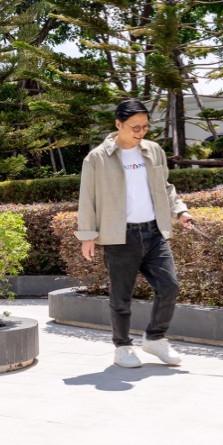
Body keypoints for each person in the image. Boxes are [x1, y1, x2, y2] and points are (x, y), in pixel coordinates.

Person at [75, 99, 194, 368]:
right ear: (118, 124)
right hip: (120, 236)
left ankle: (155, 339)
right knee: (121, 297)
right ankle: (122, 347)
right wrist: (87, 235)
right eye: (135, 127)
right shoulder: (97, 158)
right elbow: (87, 198)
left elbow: (166, 187)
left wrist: (180, 211)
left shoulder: (153, 151)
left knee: (169, 287)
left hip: (154, 232)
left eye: (145, 127)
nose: (141, 132)